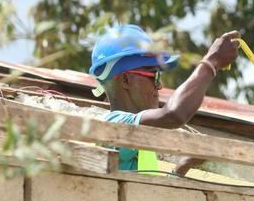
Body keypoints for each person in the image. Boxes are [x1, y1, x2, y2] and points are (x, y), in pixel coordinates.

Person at [89, 24, 240, 174]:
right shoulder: (113, 126)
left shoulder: (139, 140)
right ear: (126, 80)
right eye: (154, 76)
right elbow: (174, 114)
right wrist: (211, 63)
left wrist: (182, 167)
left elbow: (148, 196)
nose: (159, 86)